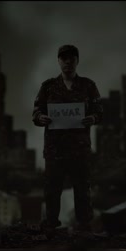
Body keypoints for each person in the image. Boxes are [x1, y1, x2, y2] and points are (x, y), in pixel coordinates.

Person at [32, 44, 103, 234]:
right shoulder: (47, 86)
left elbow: (100, 111)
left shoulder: (88, 85)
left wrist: (93, 118)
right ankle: (51, 226)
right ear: (58, 61)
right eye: (64, 58)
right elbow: (36, 111)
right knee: (52, 189)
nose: (68, 62)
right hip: (55, 149)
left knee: (82, 189)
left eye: (71, 58)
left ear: (77, 61)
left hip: (79, 148)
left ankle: (83, 226)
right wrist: (40, 117)